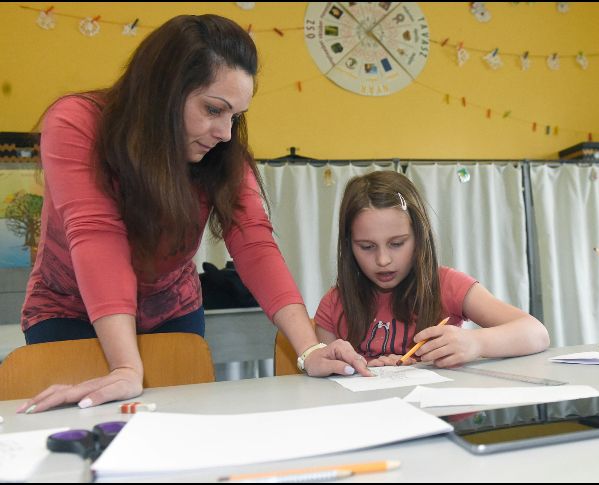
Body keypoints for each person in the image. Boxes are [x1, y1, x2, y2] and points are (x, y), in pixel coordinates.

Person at [17, 14, 369, 415]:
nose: (225, 133)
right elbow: (97, 237)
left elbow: (255, 244)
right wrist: (126, 366)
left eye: (235, 116)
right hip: (70, 310)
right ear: (163, 90)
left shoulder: (220, 155)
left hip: (171, 310)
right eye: (213, 109)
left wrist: (309, 349)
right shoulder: (77, 123)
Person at [314, 171, 550, 367]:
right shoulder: (334, 304)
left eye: (397, 243)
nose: (383, 259)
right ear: (348, 245)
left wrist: (475, 342)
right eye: (366, 246)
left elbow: (536, 333)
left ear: (419, 237)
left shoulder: (448, 285)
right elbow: (325, 386)